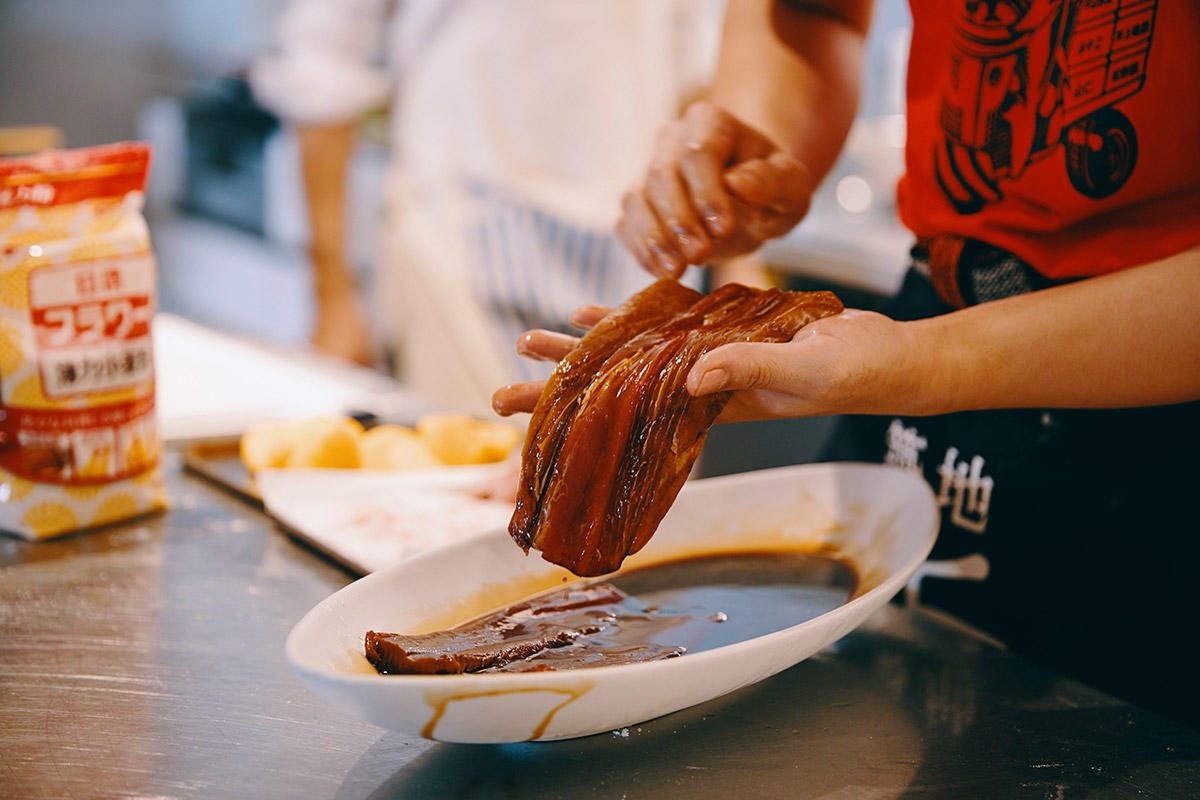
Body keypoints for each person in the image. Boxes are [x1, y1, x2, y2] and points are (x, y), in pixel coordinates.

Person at [495, 0, 1200, 728]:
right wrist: (758, 150)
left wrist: (929, 362)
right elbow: (810, 12)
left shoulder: (925, 359)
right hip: (931, 334)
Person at [252, 0, 747, 418]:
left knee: (641, 508)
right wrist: (333, 297)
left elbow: (703, 77)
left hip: (641, 248)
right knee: (473, 494)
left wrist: (739, 263)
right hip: (459, 233)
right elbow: (325, 68)